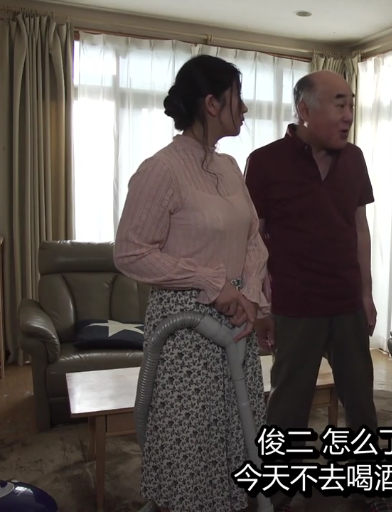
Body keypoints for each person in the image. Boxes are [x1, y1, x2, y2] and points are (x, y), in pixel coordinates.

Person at [113, 54, 270, 512]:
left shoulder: (230, 167)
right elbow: (131, 252)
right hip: (185, 332)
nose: (245, 108)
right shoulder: (160, 169)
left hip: (237, 322)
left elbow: (254, 239)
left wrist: (251, 296)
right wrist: (210, 282)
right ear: (211, 103)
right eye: (237, 97)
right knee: (190, 442)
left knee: (240, 433)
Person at [243, 70, 392, 512]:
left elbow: (359, 227)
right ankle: (275, 494)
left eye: (351, 104)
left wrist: (366, 293)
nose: (348, 115)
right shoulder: (265, 161)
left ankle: (369, 488)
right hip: (295, 304)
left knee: (361, 403)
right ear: (304, 110)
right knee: (287, 406)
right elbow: (254, 239)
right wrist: (263, 305)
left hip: (345, 302)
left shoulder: (355, 158)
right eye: (338, 104)